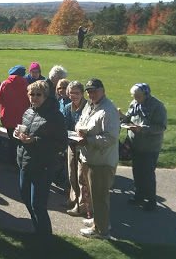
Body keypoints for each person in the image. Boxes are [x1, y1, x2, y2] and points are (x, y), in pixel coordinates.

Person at [14, 80, 67, 247]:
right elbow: (26, 133)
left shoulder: (55, 115)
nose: (34, 97)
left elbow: (61, 143)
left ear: (45, 96)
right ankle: (38, 230)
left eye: (38, 95)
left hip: (43, 165)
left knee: (38, 204)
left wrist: (35, 140)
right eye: (31, 94)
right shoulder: (29, 111)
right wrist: (19, 134)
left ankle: (46, 241)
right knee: (25, 197)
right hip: (25, 161)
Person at [76, 78, 120, 240]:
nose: (90, 94)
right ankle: (98, 221)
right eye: (88, 91)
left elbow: (111, 138)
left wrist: (88, 140)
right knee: (93, 195)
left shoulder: (108, 110)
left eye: (94, 90)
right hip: (89, 157)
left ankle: (101, 231)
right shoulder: (90, 105)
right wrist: (79, 131)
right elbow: (81, 121)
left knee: (100, 196)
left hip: (102, 161)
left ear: (103, 91)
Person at [119, 83, 167, 212]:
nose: (136, 99)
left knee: (147, 174)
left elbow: (161, 127)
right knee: (137, 172)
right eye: (134, 96)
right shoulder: (134, 103)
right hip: (135, 145)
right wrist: (122, 117)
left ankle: (151, 200)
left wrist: (142, 129)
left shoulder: (157, 106)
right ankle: (139, 196)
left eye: (138, 96)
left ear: (146, 94)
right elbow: (128, 118)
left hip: (149, 147)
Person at [62, 81, 91, 217]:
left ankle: (82, 205)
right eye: (71, 93)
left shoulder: (89, 108)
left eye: (77, 93)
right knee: (71, 174)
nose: (74, 95)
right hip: (71, 144)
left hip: (84, 146)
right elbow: (64, 126)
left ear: (82, 93)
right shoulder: (68, 108)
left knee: (81, 177)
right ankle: (73, 199)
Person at [0, 66, 30, 161]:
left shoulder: (5, 84)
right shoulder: (26, 85)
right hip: (22, 118)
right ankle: (20, 160)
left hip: (8, 117)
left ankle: (12, 160)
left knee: (11, 139)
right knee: (21, 140)